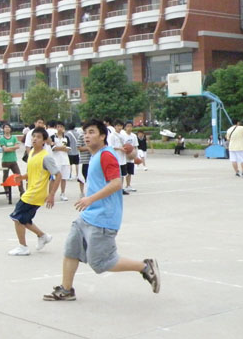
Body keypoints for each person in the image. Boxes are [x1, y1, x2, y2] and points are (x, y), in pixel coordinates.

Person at [43, 119, 160, 301]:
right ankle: (66, 290)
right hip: (88, 216)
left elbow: (116, 183)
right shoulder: (96, 155)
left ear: (103, 136)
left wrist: (90, 199)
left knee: (101, 263)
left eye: (91, 132)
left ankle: (145, 267)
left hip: (103, 218)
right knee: (71, 250)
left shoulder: (106, 155)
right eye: (85, 133)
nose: (86, 136)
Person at [8, 127, 62, 256]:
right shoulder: (31, 152)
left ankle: (23, 247)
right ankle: (43, 236)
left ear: (44, 141)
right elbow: (34, 172)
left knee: (16, 217)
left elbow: (58, 175)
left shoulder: (46, 157)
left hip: (35, 193)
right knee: (24, 219)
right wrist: (22, 177)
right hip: (31, 191)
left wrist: (51, 194)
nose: (34, 139)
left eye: (38, 137)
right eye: (33, 136)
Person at [0, 123, 24, 197]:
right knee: (5, 176)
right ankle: (6, 191)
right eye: (5, 127)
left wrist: (9, 148)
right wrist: (13, 147)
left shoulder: (14, 137)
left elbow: (17, 146)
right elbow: (5, 149)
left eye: (8, 127)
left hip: (13, 160)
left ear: (10, 129)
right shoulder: (2, 138)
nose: (7, 128)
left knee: (18, 175)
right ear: (3, 129)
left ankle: (22, 191)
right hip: (5, 161)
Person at [51, 122, 71, 201]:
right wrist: (62, 148)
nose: (59, 128)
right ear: (56, 128)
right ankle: (51, 194)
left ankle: (63, 193)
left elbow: (68, 148)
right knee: (54, 178)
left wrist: (59, 147)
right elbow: (53, 148)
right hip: (56, 161)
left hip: (65, 160)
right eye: (58, 127)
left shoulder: (66, 137)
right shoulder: (53, 137)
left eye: (61, 127)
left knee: (64, 178)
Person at [121, 122, 139, 193]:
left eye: (131, 126)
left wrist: (135, 155)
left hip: (131, 156)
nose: (129, 128)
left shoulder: (134, 136)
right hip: (124, 156)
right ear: (125, 127)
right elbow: (121, 145)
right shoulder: (122, 135)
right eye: (128, 126)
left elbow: (135, 146)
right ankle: (121, 187)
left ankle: (128, 185)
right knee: (123, 173)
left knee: (130, 172)